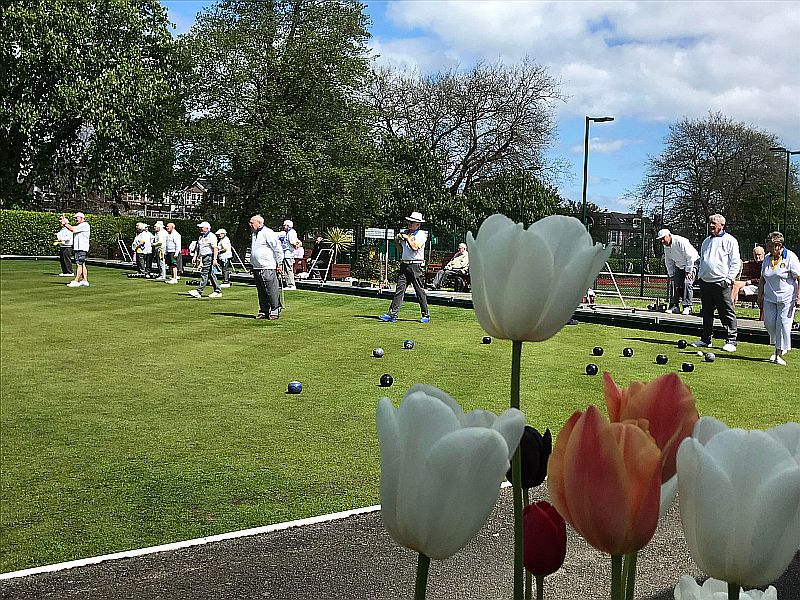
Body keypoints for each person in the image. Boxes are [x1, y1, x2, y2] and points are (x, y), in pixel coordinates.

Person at [691, 214, 741, 352]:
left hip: (721, 282)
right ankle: (706, 339)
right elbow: (703, 260)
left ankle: (731, 340)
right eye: (710, 223)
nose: (711, 225)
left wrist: (729, 279)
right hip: (705, 282)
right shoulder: (706, 241)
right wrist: (700, 276)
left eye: (714, 223)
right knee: (706, 312)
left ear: (722, 225)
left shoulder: (730, 240)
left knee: (726, 312)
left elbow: (735, 262)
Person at [379, 211, 430, 323]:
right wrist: (397, 241)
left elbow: (415, 247)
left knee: (419, 290)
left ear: (418, 224)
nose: (409, 224)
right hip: (405, 263)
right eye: (409, 222)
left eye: (412, 222)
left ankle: (425, 314)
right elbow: (402, 250)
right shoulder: (406, 233)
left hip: (416, 265)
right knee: (399, 290)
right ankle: (392, 314)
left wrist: (407, 238)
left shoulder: (421, 234)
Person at [758, 232, 800, 366]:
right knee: (769, 324)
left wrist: (799, 297)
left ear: (778, 246)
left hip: (787, 298)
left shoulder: (791, 257)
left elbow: (799, 278)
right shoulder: (766, 258)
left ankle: (778, 353)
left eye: (770, 246)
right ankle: (781, 345)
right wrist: (760, 295)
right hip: (770, 297)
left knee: (782, 324)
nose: (768, 248)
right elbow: (762, 278)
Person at [249, 214, 284, 319]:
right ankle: (264, 310)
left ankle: (275, 309)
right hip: (257, 267)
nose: (250, 224)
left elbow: (277, 249)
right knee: (261, 291)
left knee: (271, 289)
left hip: (267, 266)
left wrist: (279, 263)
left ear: (259, 223)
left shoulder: (268, 233)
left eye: (252, 222)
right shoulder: (254, 234)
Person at [656, 228, 699, 315]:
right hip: (680, 266)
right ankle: (674, 306)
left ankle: (687, 307)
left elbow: (690, 257)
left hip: (693, 263)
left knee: (687, 282)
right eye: (661, 239)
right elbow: (668, 261)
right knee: (674, 282)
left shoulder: (681, 241)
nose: (662, 241)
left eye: (663, 238)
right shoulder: (666, 246)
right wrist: (671, 274)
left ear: (669, 235)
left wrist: (689, 270)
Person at [188, 221, 222, 299]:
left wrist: (215, 259)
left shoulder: (211, 236)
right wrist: (195, 256)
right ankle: (217, 291)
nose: (200, 229)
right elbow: (198, 248)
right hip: (203, 257)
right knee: (210, 274)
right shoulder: (201, 237)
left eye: (202, 227)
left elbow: (215, 248)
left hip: (209, 256)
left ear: (207, 228)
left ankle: (199, 291)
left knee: (204, 273)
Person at [64, 212, 90, 287]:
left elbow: (72, 229)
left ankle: (76, 280)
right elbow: (71, 228)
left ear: (81, 218)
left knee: (79, 264)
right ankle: (85, 280)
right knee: (82, 264)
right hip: (80, 248)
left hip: (81, 248)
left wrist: (65, 223)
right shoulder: (81, 225)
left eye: (76, 218)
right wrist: (66, 224)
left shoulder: (84, 225)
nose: (75, 219)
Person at [278, 219, 300, 290]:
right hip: (286, 253)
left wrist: (295, 246)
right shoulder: (288, 232)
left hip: (289, 253)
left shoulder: (291, 232)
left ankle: (291, 285)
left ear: (288, 225)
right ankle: (288, 284)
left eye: (284, 225)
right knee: (287, 269)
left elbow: (293, 242)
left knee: (288, 269)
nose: (284, 226)